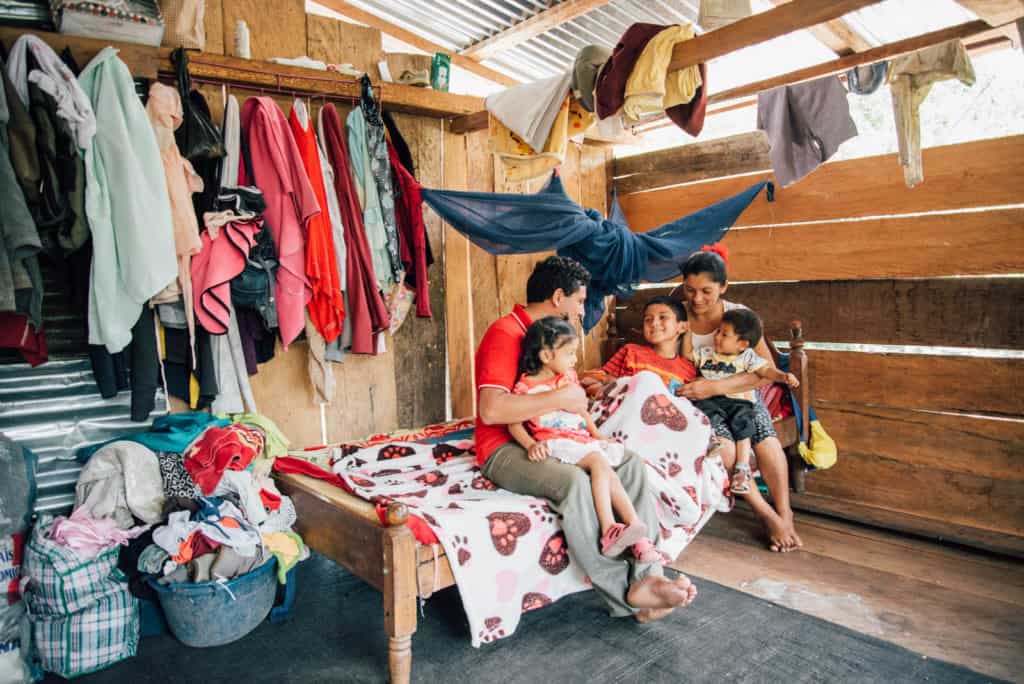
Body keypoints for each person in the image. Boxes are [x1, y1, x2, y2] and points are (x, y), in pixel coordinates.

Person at [475, 256, 696, 623]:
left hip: (554, 435)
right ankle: (626, 597)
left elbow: (568, 400)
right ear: (558, 297)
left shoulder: (555, 341)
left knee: (627, 462)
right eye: (579, 302)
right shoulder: (506, 332)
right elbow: (491, 410)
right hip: (505, 446)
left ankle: (648, 579)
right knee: (576, 483)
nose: (581, 311)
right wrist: (561, 399)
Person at [675, 246, 804, 552]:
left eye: (706, 291)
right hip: (700, 400)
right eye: (690, 290)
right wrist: (704, 390)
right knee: (727, 447)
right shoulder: (679, 315)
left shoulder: (740, 316)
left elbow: (763, 369)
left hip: (741, 394)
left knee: (764, 436)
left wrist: (717, 387)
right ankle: (766, 514)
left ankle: (785, 513)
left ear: (724, 287)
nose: (697, 299)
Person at [509, 316, 661, 563]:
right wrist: (530, 444)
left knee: (610, 472)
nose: (575, 360)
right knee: (599, 463)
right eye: (569, 354)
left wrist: (598, 436)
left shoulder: (568, 379)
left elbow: (582, 411)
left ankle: (639, 537)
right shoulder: (526, 387)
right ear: (546, 356)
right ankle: (609, 528)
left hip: (579, 440)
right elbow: (513, 421)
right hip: (556, 442)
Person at [683, 308, 800, 495]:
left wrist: (783, 376)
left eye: (724, 334)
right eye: (718, 331)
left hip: (739, 401)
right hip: (712, 399)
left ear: (742, 344)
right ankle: (712, 441)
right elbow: (688, 355)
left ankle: (742, 467)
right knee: (704, 412)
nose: (717, 336)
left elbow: (766, 371)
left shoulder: (747, 357)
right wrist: (688, 330)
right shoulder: (707, 353)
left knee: (743, 426)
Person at [581, 295, 695, 397]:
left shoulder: (688, 370)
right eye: (648, 319)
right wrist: (605, 382)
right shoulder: (631, 352)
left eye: (662, 317)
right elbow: (602, 377)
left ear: (683, 327)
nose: (654, 323)